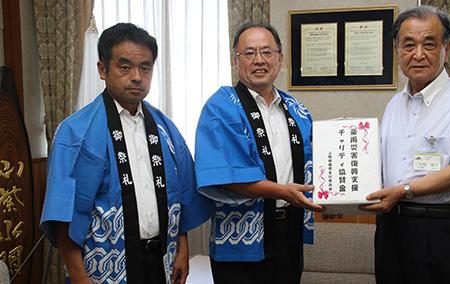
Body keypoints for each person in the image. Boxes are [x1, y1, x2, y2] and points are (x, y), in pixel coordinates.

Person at [41, 23, 213, 284]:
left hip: (161, 258)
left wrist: (183, 248)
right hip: (103, 265)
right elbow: (63, 211)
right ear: (102, 69)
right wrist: (78, 275)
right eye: (125, 67)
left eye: (145, 67)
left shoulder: (165, 128)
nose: (137, 76)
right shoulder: (75, 132)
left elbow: (182, 195)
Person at [361, 5, 450, 284]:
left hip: (443, 229)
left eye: (429, 44)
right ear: (397, 49)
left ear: (448, 48)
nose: (418, 54)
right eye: (408, 45)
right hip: (391, 228)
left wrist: (404, 190)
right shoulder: (395, 103)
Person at [194, 22, 324, 284]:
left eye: (267, 52)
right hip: (241, 239)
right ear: (236, 60)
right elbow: (227, 175)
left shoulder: (297, 110)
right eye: (249, 53)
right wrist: (282, 191)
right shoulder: (220, 107)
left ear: (280, 59)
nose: (259, 60)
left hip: (289, 231)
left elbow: (318, 162)